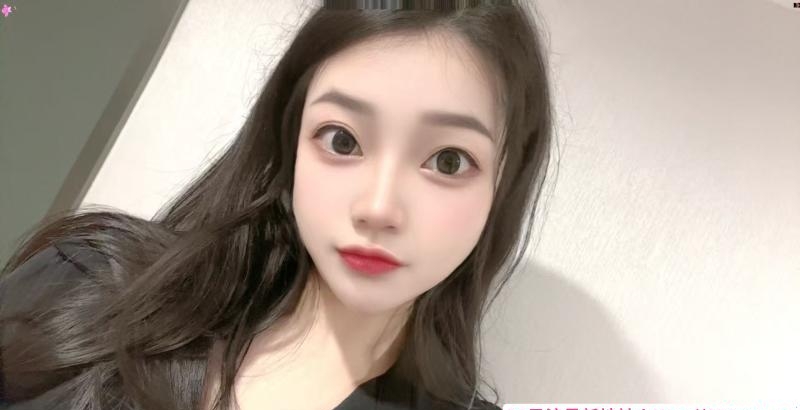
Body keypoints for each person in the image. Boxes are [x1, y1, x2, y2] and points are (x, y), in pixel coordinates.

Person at [0, 0, 554, 409]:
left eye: (449, 161)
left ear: (502, 183)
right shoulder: (88, 285)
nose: (379, 207)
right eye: (342, 140)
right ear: (290, 143)